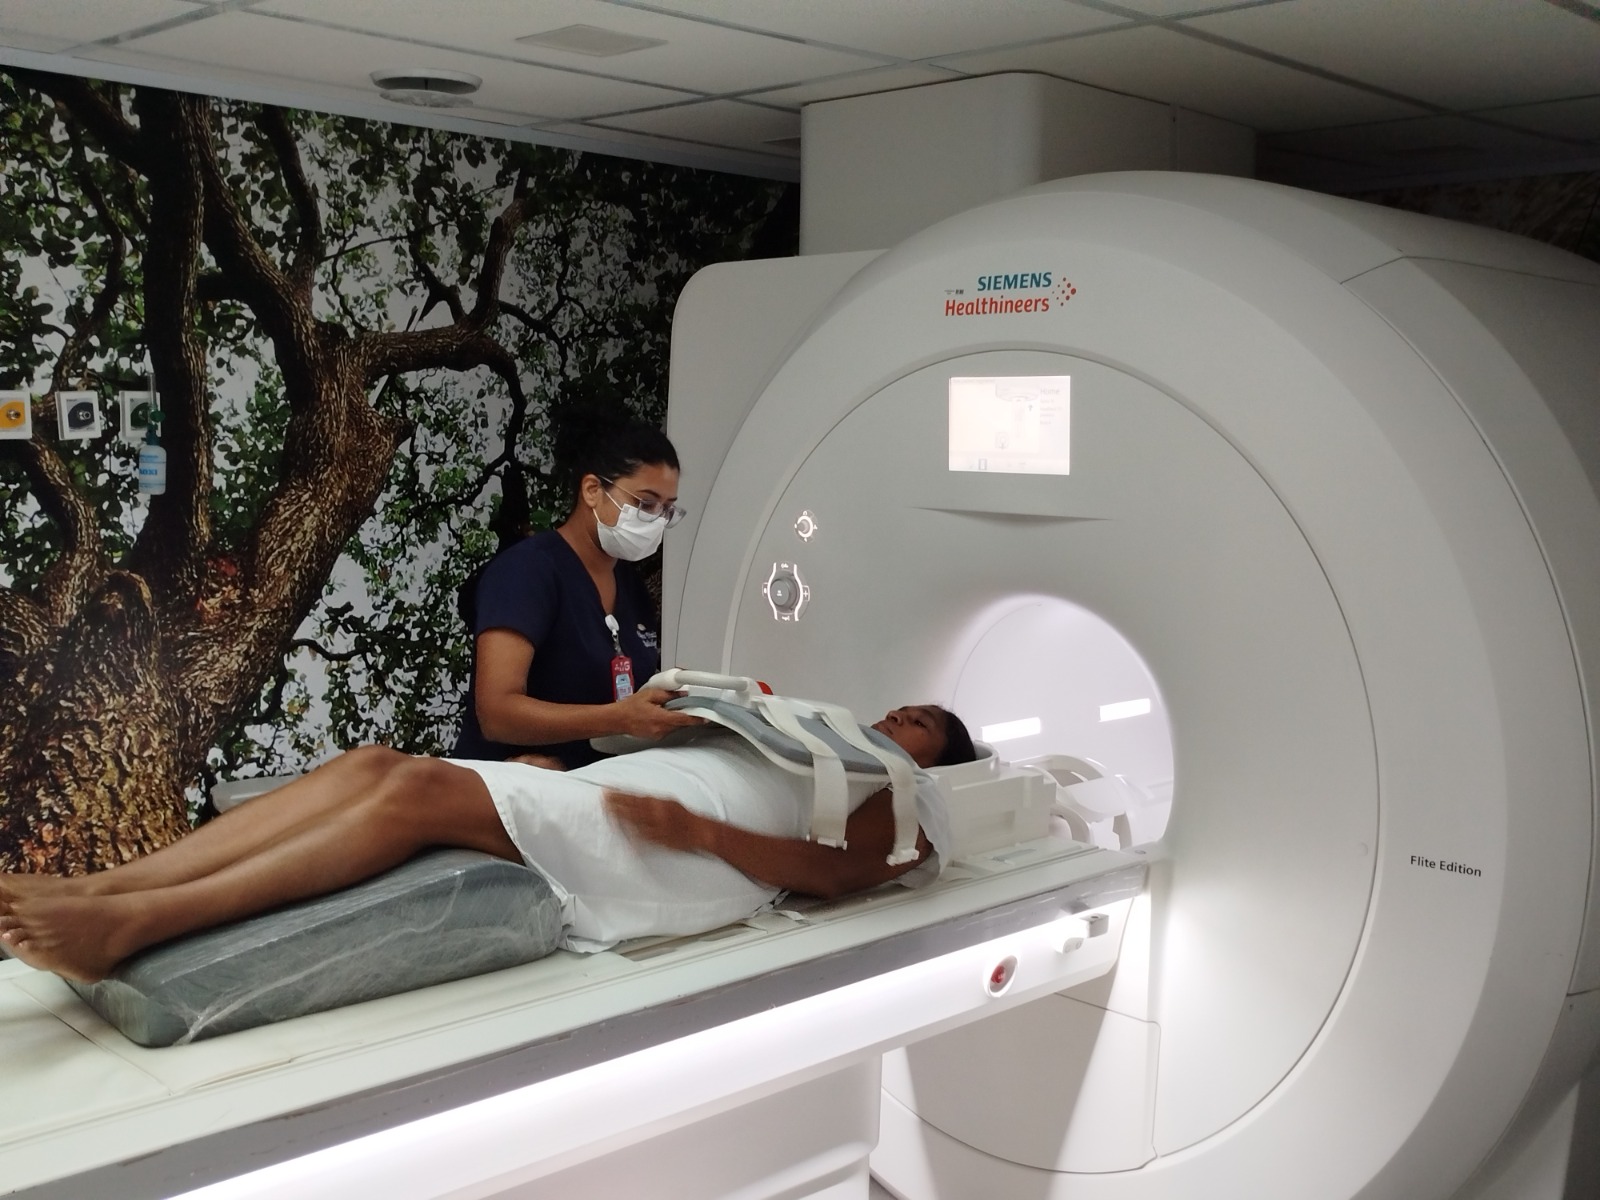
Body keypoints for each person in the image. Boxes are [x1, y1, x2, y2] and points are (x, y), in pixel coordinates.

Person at [0, 705, 978, 983]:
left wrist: (696, 828)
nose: (900, 719)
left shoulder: (911, 794)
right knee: (375, 763)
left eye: (922, 723)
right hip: (625, 800)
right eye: (901, 709)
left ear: (943, 758)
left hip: (682, 855)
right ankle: (103, 889)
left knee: (414, 792)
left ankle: (133, 924)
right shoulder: (815, 733)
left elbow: (838, 875)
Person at [451, 409, 703, 769]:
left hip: (595, 787)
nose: (656, 520)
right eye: (645, 504)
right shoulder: (527, 571)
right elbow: (496, 714)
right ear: (592, 491)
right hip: (508, 787)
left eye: (667, 510)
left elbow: (627, 701)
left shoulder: (631, 588)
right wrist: (619, 718)